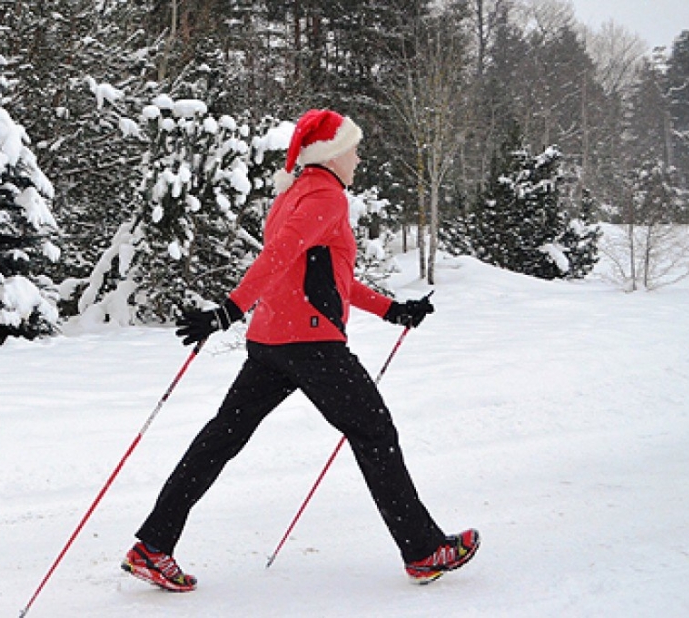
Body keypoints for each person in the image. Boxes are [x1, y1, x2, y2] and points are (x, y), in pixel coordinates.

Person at [121, 109, 479, 592]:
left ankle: (153, 545)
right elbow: (278, 256)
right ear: (332, 153)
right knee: (374, 431)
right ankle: (422, 550)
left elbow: (325, 275)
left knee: (222, 437)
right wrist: (229, 311)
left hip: (271, 343)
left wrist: (391, 310)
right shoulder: (327, 196)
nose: (358, 158)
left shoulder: (293, 194)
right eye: (354, 149)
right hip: (311, 345)